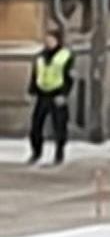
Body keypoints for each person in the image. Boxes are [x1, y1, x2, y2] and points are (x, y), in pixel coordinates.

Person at [28, 27, 74, 166]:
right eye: (47, 39)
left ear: (58, 40)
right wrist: (32, 90)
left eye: (51, 39)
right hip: (42, 95)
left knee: (59, 126)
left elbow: (69, 77)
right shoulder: (40, 56)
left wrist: (64, 94)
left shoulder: (65, 56)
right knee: (36, 127)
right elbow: (36, 74)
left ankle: (59, 153)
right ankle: (36, 153)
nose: (48, 42)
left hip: (57, 95)